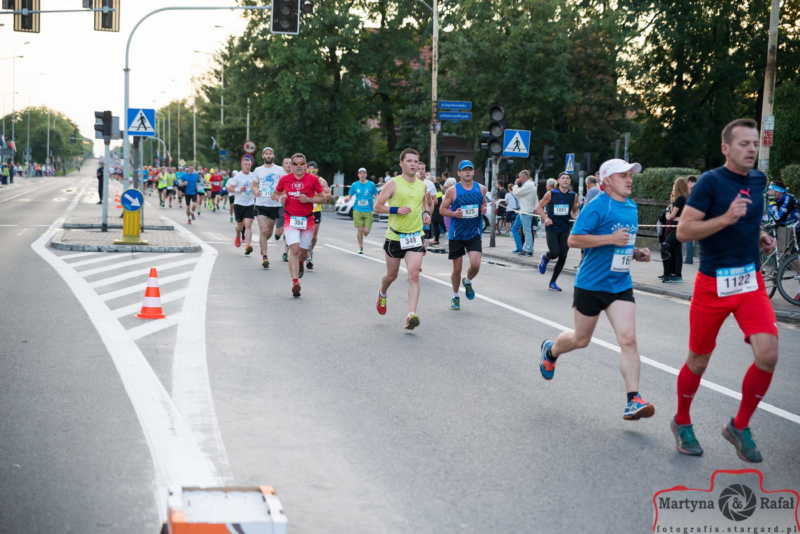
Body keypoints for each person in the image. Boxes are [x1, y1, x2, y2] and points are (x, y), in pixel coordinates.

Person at [672, 118, 779, 463]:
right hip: (713, 285)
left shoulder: (759, 180)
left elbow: (749, 220)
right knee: (699, 359)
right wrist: (725, 219)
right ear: (726, 148)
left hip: (749, 282)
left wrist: (759, 235)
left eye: (754, 144)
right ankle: (682, 421)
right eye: (744, 144)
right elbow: (684, 232)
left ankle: (739, 426)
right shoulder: (710, 182)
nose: (751, 149)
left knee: (768, 354)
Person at [538, 158, 655, 421]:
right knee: (581, 340)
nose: (629, 180)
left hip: (620, 284)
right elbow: (574, 239)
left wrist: (636, 253)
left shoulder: (631, 207)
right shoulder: (597, 206)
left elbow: (623, 244)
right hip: (591, 284)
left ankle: (633, 399)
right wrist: (610, 239)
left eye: (630, 175)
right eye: (623, 175)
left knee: (628, 339)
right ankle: (551, 350)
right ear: (607, 181)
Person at [373, 148, 432, 330]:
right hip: (395, 237)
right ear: (401, 164)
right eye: (409, 161)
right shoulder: (393, 184)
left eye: (416, 161)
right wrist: (395, 210)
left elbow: (425, 204)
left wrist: (426, 214)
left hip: (415, 236)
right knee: (392, 275)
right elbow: (377, 206)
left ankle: (411, 315)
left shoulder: (422, 185)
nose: (413, 164)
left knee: (414, 274)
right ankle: (382, 292)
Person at [273, 153, 326, 297]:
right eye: (295, 164)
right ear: (291, 166)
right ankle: (295, 282)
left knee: (302, 252)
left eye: (301, 164)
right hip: (290, 219)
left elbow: (324, 198)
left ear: (306, 165)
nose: (298, 167)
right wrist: (281, 198)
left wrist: (309, 199)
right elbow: (274, 194)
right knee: (294, 250)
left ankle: (301, 262)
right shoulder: (285, 179)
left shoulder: (313, 179)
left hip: (307, 220)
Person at [439, 160, 486, 310]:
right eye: (464, 170)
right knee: (457, 269)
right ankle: (455, 296)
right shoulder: (452, 191)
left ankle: (468, 280)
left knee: (476, 264)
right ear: (459, 173)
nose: (467, 172)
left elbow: (483, 203)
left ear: (473, 172)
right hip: (457, 234)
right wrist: (454, 214)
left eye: (470, 169)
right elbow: (442, 210)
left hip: (474, 232)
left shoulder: (481, 189)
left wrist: (484, 208)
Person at [537, 172, 579, 291]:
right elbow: (538, 208)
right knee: (555, 252)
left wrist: (575, 216)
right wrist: (546, 218)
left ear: (570, 181)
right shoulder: (551, 193)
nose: (566, 180)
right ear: (558, 181)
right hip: (552, 227)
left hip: (565, 228)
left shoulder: (573, 195)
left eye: (568, 178)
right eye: (563, 178)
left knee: (563, 255)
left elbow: (573, 211)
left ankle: (553, 282)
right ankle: (546, 257)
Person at [253, 147, 286, 269]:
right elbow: (254, 185)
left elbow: (284, 185)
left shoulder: (280, 170)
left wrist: (280, 195)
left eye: (270, 154)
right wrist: (256, 191)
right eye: (266, 154)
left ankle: (263, 244)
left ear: (273, 156)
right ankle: (265, 257)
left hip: (274, 205)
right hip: (260, 204)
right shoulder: (258, 170)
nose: (268, 155)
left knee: (268, 233)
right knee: (263, 230)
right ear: (263, 156)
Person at [659, 177, 689, 283]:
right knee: (676, 251)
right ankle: (675, 274)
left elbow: (670, 216)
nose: (673, 188)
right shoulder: (685, 199)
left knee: (665, 247)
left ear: (677, 187)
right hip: (679, 227)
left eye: (674, 186)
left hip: (676, 227)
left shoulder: (680, 199)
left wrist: (668, 214)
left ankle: (668, 274)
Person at [227, 155, 257, 256]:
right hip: (239, 204)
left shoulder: (253, 176)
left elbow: (256, 187)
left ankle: (248, 246)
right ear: (242, 165)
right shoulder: (237, 176)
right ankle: (237, 235)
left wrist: (257, 191)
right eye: (245, 164)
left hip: (250, 204)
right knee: (239, 226)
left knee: (248, 225)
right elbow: (229, 188)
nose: (247, 166)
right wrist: (238, 190)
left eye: (249, 164)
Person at [305, 161, 330, 271]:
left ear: (317, 170)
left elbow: (328, 195)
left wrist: (322, 196)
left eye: (313, 169)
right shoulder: (302, 179)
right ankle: (307, 257)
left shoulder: (321, 181)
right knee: (305, 235)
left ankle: (310, 251)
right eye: (309, 169)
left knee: (314, 237)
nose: (311, 171)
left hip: (316, 211)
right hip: (304, 211)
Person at [346, 167, 378, 254]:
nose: (362, 175)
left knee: (366, 232)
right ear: (358, 175)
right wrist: (347, 199)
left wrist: (377, 204)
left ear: (366, 175)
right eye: (360, 173)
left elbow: (376, 195)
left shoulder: (371, 184)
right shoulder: (355, 185)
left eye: (364, 173)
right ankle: (360, 247)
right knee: (360, 230)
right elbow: (350, 195)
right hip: (357, 210)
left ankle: (364, 233)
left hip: (368, 210)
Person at [767, 180, 798, 257]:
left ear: (777, 191)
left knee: (790, 255)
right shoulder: (776, 200)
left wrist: (772, 204)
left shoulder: (788, 198)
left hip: (795, 227)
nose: (768, 192)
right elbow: (771, 218)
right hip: (788, 227)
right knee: (784, 254)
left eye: (770, 190)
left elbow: (777, 217)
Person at [511, 170, 537, 256]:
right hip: (524, 210)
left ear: (524, 177)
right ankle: (523, 248)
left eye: (520, 177)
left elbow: (516, 193)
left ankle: (528, 249)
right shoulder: (529, 185)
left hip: (526, 211)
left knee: (527, 231)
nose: (519, 179)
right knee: (518, 229)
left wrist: (515, 185)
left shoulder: (528, 185)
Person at [684, 176, 698, 264]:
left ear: (689, 182)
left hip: (691, 218)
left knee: (689, 240)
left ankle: (688, 259)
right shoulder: (698, 189)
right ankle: (689, 258)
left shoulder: (691, 191)